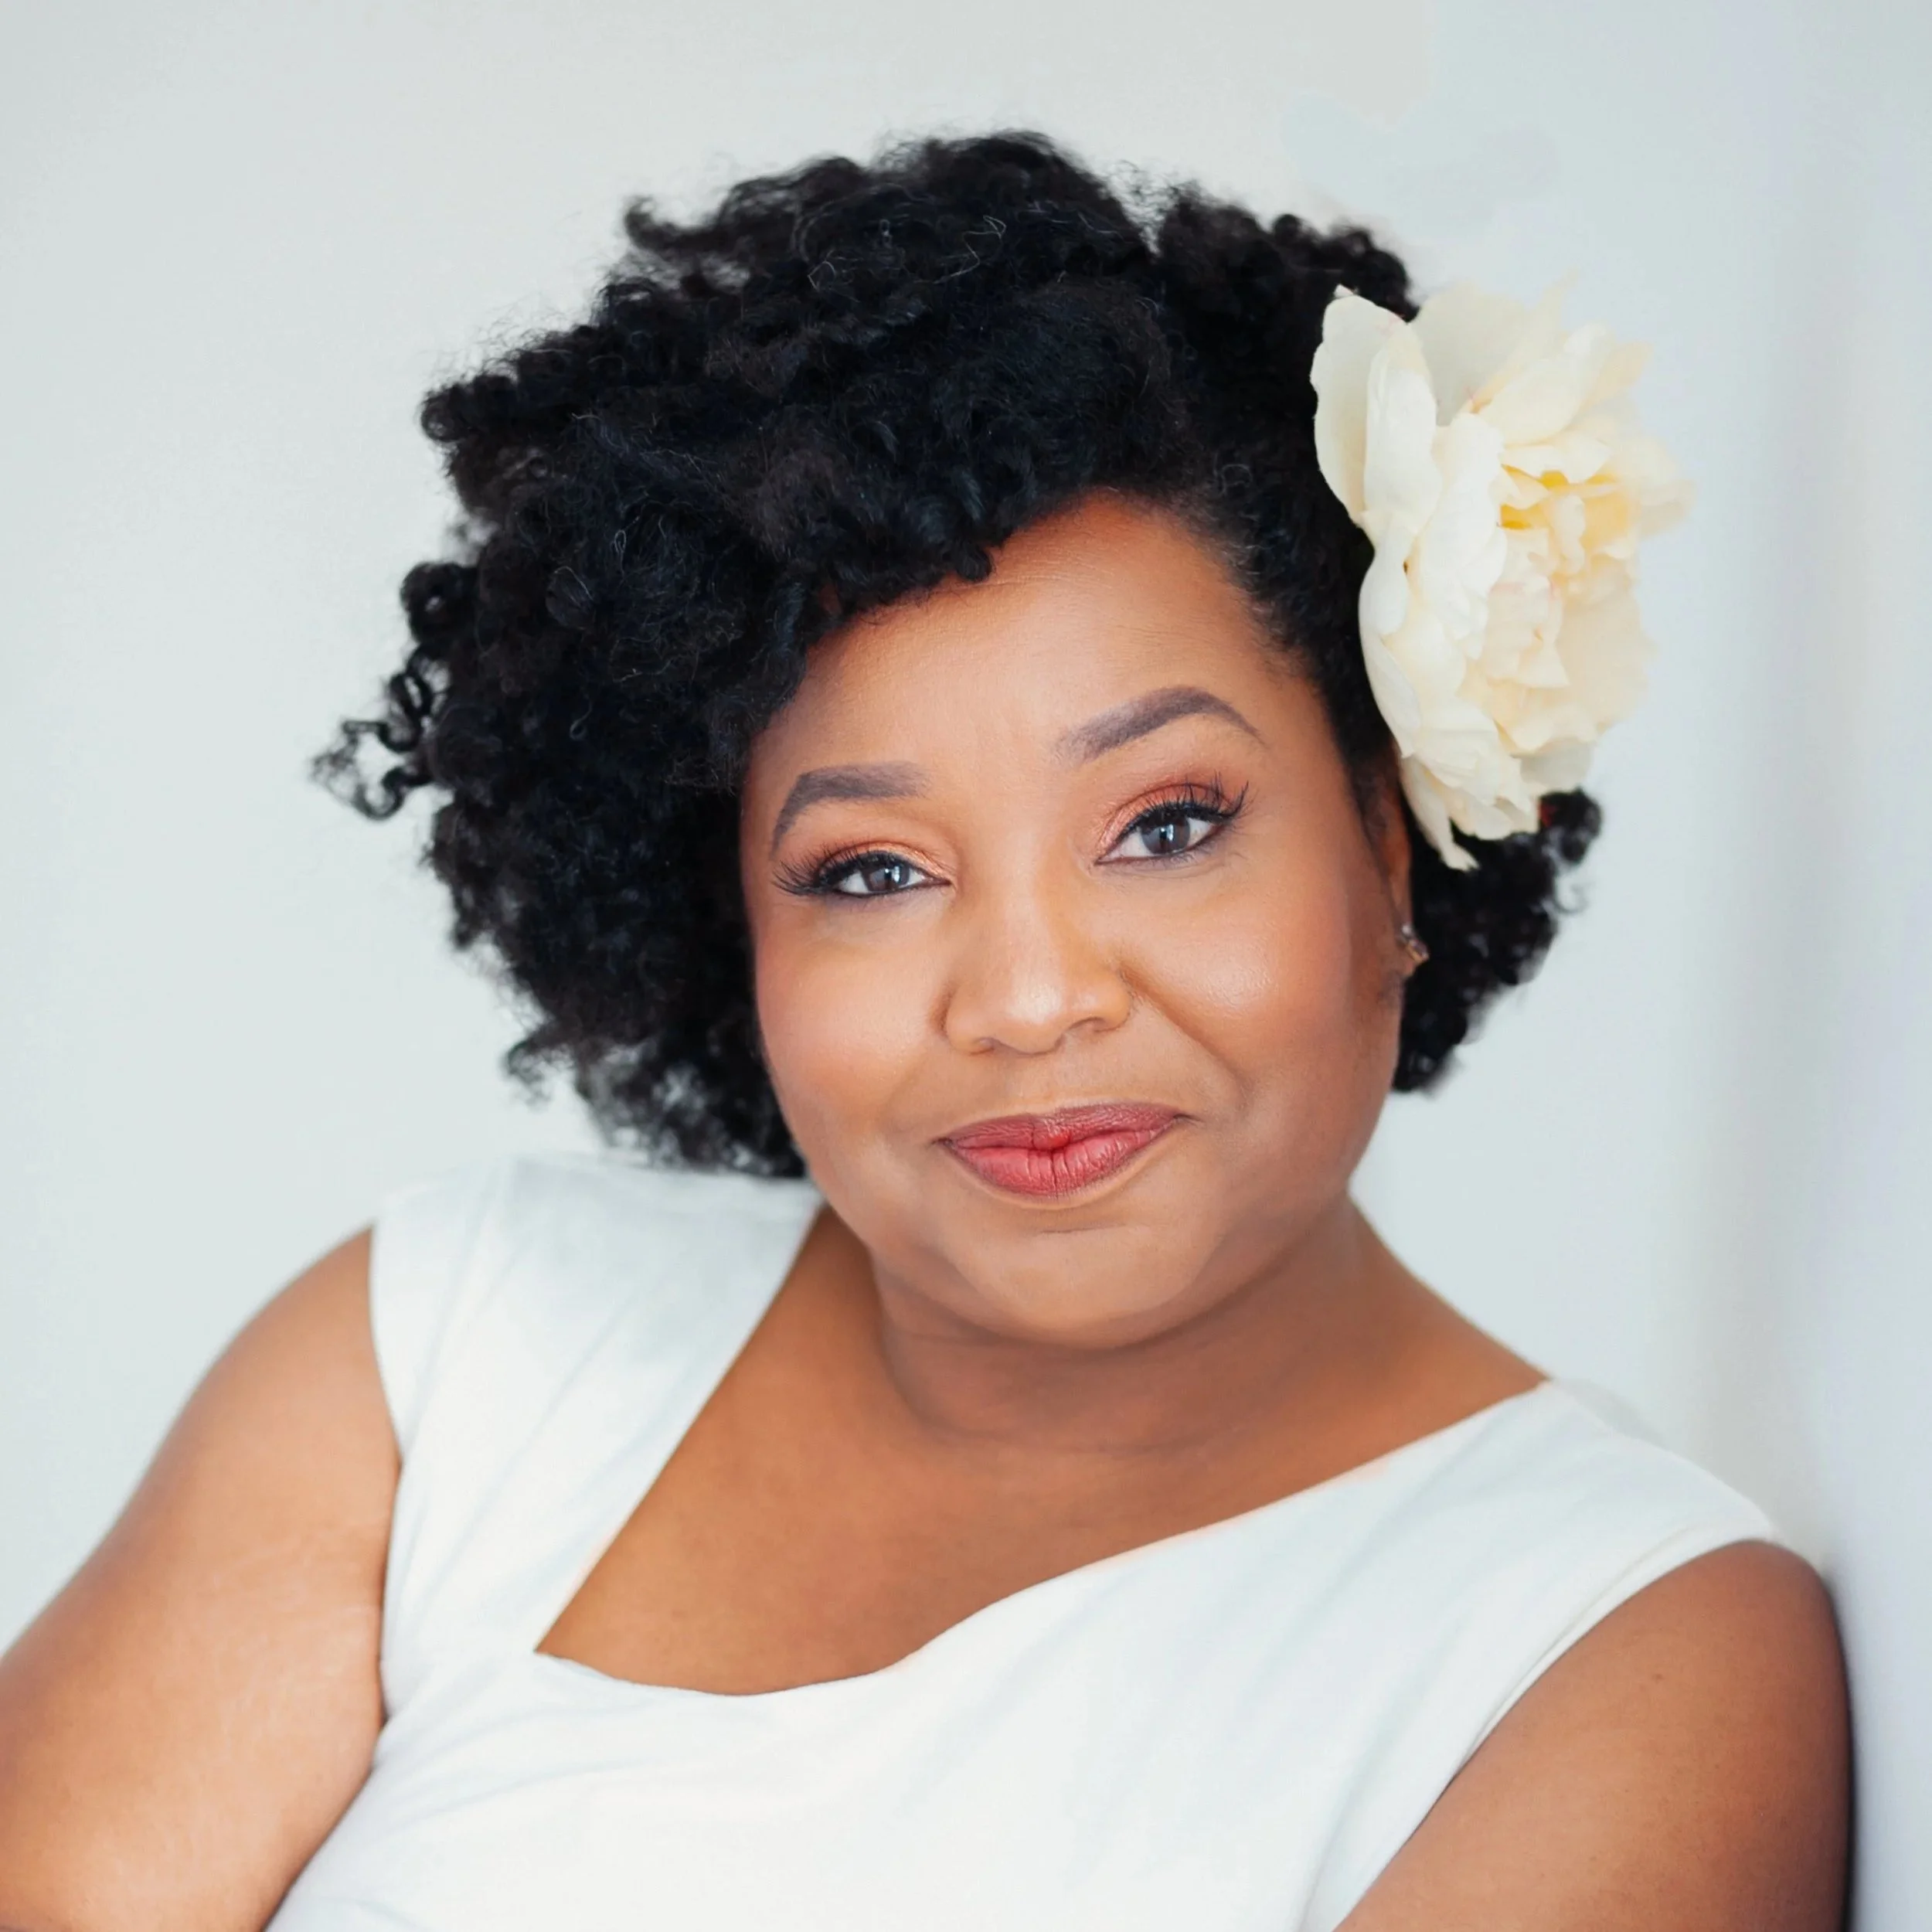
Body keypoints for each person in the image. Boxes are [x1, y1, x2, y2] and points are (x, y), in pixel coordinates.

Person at [0, 133, 1849, 1930]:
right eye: (870, 869)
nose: (1030, 996)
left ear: (1387, 834)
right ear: (728, 919)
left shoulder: (1616, 1645)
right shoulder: (447, 1357)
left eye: (1165, 823)